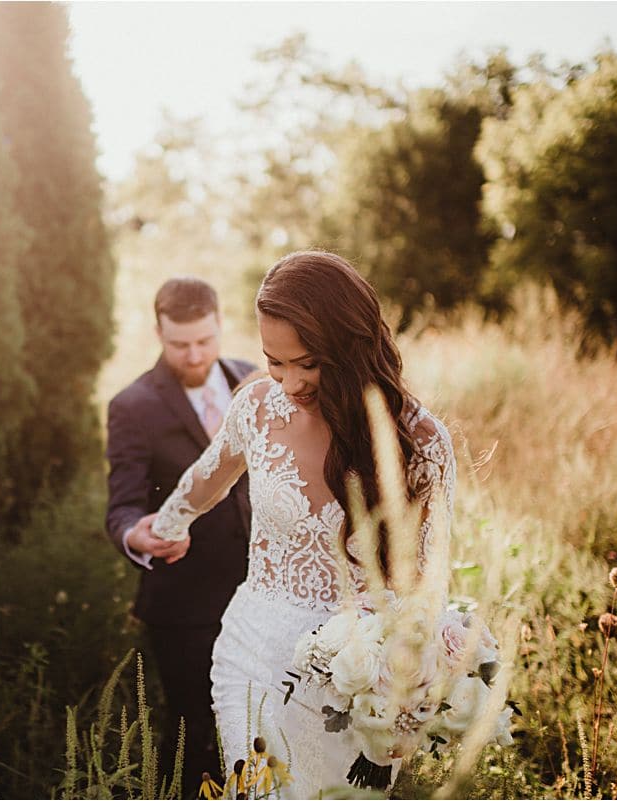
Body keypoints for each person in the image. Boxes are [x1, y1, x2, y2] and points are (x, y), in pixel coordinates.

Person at [129, 251, 457, 795]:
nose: (289, 381)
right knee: (259, 792)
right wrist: (166, 526)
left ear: (352, 346)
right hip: (252, 653)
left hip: (357, 677)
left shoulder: (419, 442)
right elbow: (207, 479)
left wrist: (398, 683)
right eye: (274, 362)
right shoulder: (258, 407)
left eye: (308, 363)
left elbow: (426, 583)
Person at [104, 277, 256, 796]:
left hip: (261, 592)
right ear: (158, 332)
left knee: (264, 724)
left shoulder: (253, 380)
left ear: (218, 324)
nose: (195, 355)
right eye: (180, 343)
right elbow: (122, 505)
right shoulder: (133, 406)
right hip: (184, 603)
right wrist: (136, 535)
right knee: (195, 731)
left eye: (205, 340)